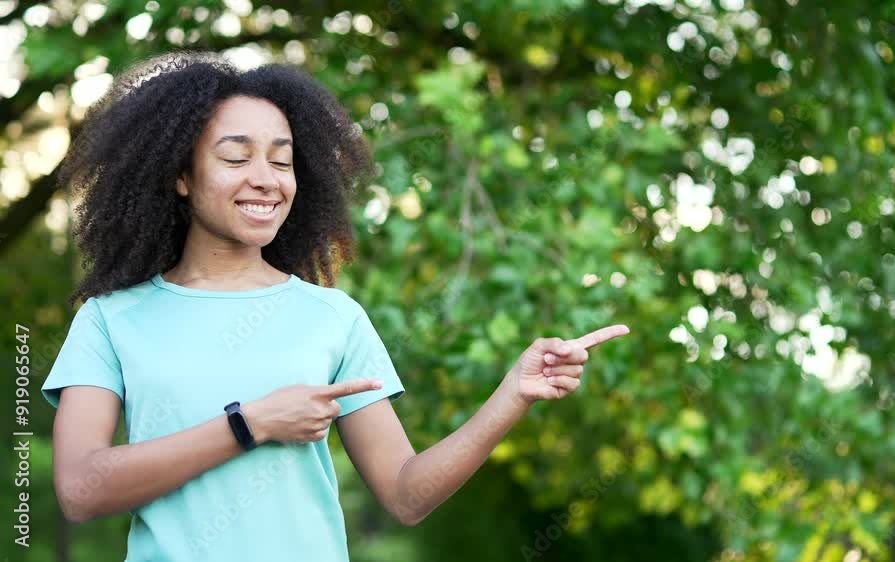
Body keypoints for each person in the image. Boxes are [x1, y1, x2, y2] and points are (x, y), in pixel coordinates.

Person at [41, 50, 629, 562]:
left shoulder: (333, 318)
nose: (267, 178)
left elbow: (406, 494)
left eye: (282, 157)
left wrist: (513, 394)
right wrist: (252, 424)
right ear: (181, 176)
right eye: (236, 156)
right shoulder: (111, 320)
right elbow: (81, 488)